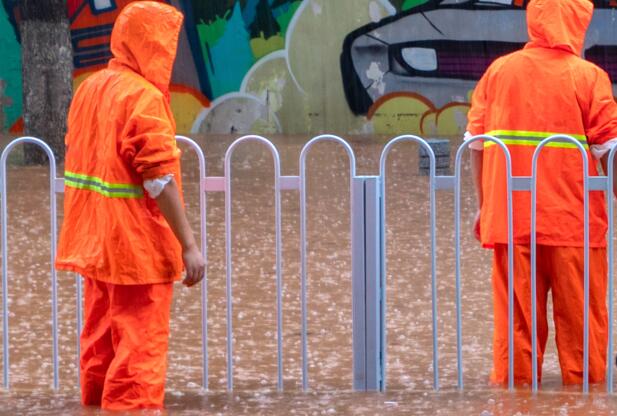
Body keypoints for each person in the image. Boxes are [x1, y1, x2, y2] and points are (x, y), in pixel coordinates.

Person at [55, 1, 205, 410]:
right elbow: (158, 177)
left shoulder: (90, 89)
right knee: (139, 351)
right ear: (152, 45)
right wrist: (188, 244)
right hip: (137, 250)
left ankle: (94, 405)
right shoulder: (143, 98)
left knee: (100, 341)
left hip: (94, 244)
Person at [467, 0, 617, 386]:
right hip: (574, 226)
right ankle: (585, 403)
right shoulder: (588, 78)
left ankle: (517, 405)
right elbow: (610, 151)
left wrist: (485, 208)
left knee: (515, 329)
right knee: (582, 331)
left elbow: (476, 145)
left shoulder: (498, 72)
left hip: (511, 221)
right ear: (578, 21)